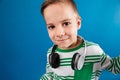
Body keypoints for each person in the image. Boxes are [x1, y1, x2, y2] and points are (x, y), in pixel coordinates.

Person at [40, 0, 120, 80]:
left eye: (66, 23)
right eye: (52, 27)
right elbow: (50, 75)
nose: (59, 33)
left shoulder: (93, 50)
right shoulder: (51, 53)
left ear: (78, 23)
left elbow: (114, 67)